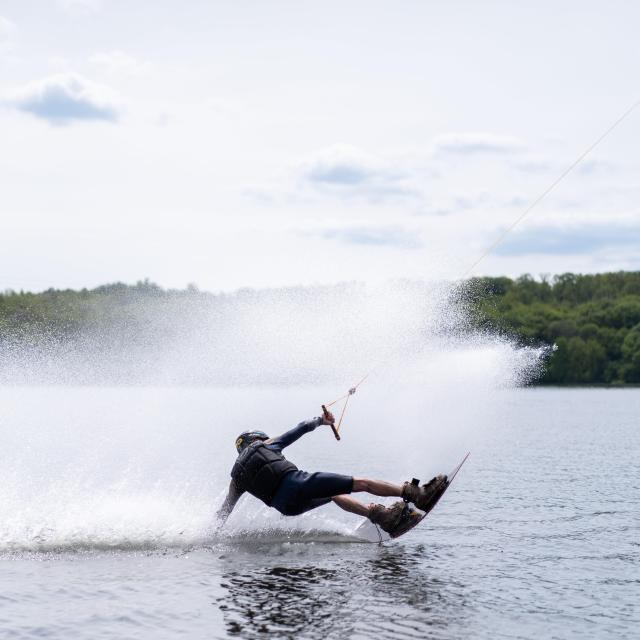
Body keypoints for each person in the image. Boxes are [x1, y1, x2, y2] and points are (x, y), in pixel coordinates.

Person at [216, 411, 447, 536]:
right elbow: (300, 428)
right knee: (362, 483)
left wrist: (205, 535)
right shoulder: (265, 446)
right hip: (298, 485)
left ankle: (380, 516)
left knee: (333, 494)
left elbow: (224, 511)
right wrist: (321, 420)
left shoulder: (236, 479)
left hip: (288, 507)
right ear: (256, 440)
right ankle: (417, 494)